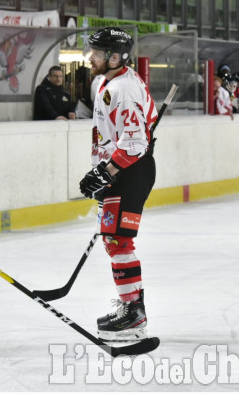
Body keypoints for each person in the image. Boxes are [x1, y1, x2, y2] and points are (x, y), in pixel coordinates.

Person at [79, 27, 157, 342]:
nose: (90, 57)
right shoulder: (107, 82)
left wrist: (107, 171)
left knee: (119, 241)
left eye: (97, 53)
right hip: (121, 170)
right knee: (113, 241)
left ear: (115, 57)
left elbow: (136, 141)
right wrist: (102, 170)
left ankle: (134, 314)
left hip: (131, 170)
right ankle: (130, 307)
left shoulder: (122, 88)